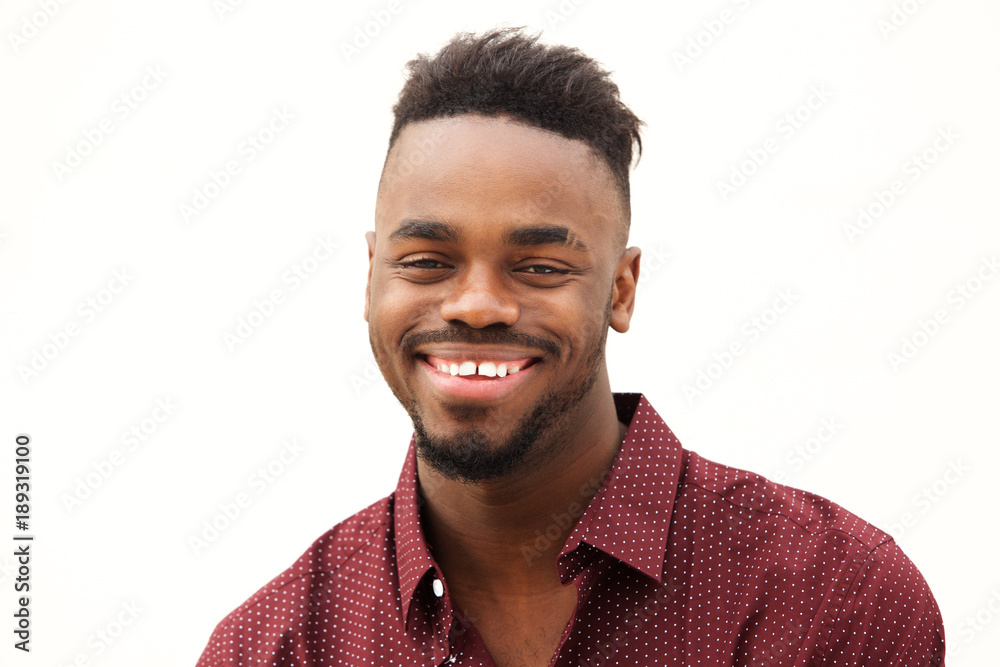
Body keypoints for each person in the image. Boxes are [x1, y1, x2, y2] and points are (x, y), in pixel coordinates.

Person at [196, 28, 945, 666]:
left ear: (620, 289)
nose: (477, 305)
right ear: (371, 280)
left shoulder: (831, 603)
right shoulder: (276, 647)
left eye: (540, 267)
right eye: (427, 260)